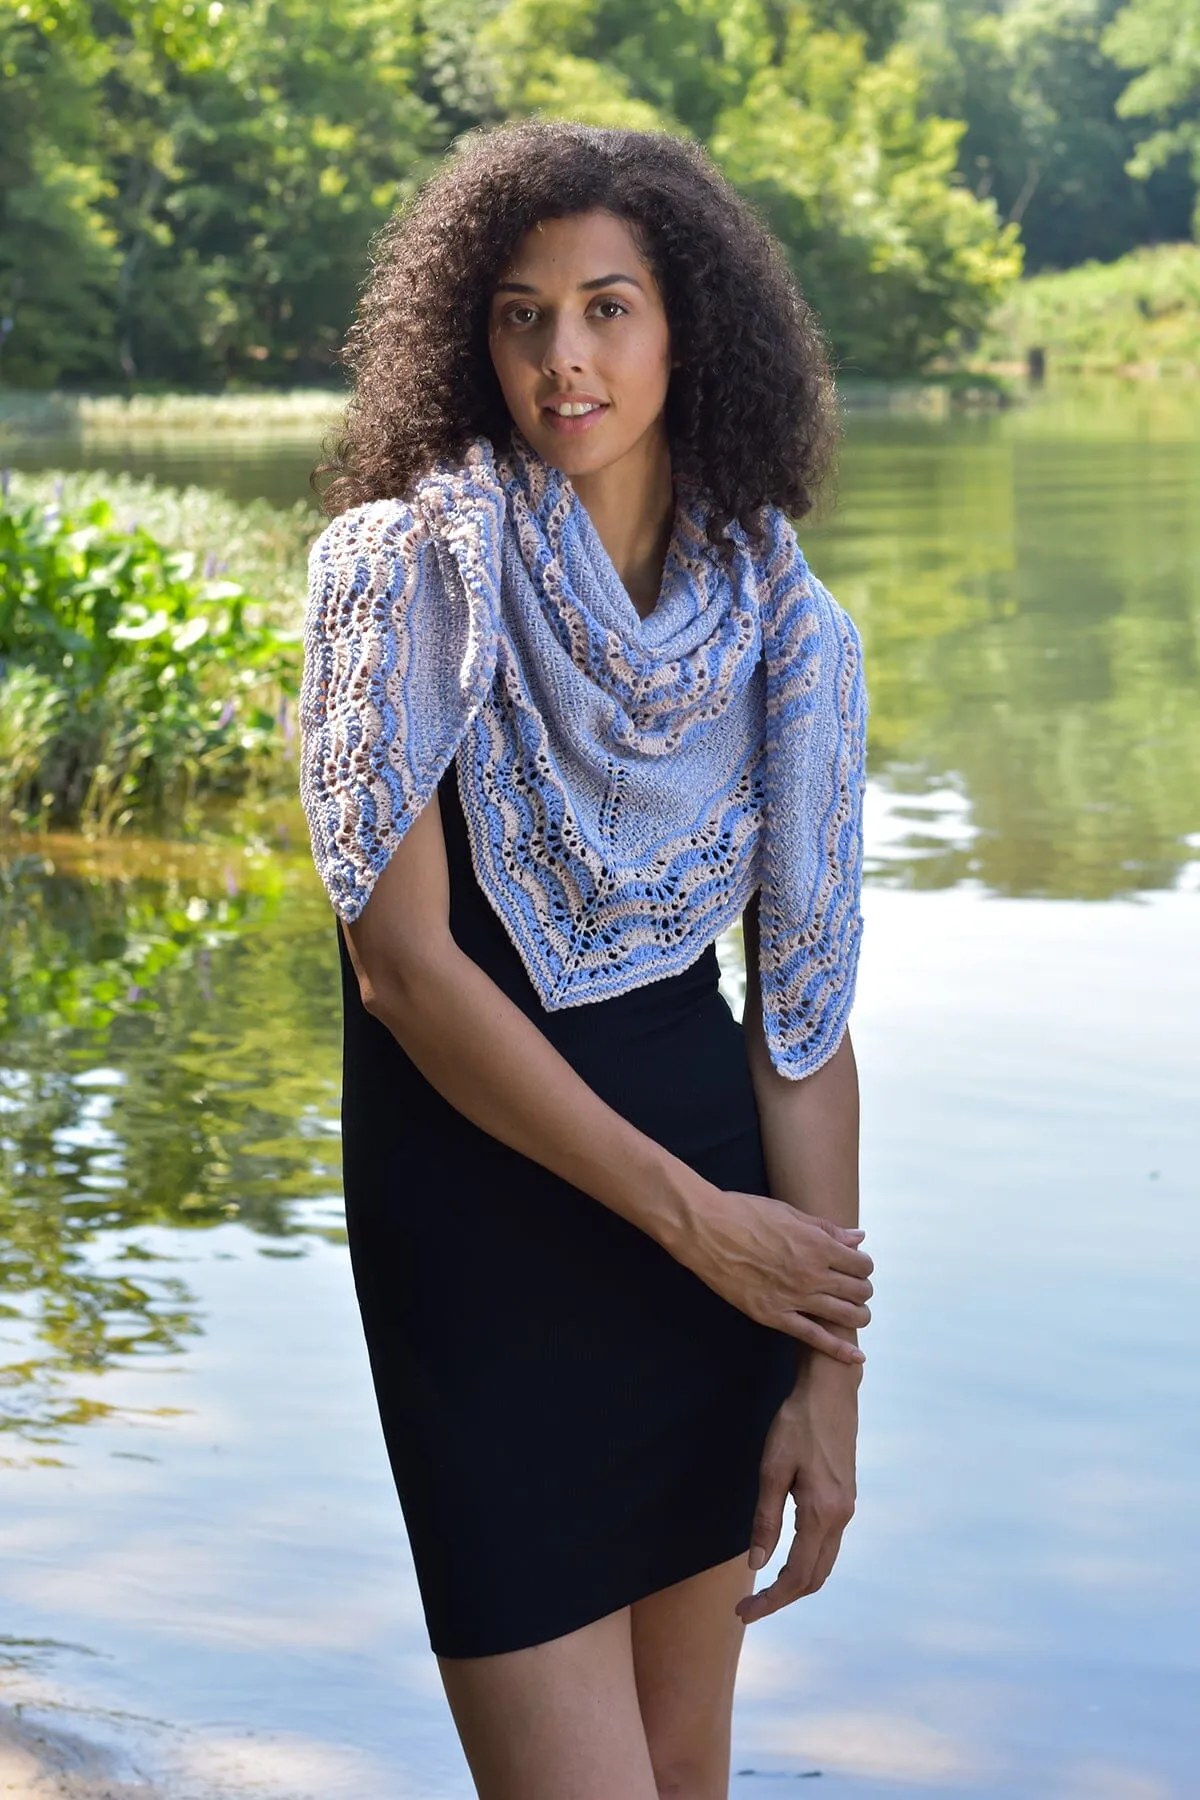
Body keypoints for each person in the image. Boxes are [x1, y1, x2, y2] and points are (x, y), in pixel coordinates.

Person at [299, 120, 872, 1800]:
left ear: (688, 324)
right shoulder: (398, 577)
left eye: (609, 307)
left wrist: (828, 1378)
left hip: (725, 1257)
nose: (566, 358)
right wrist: (703, 1227)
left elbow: (807, 1022)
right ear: (465, 341)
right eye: (522, 314)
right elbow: (402, 972)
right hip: (486, 1235)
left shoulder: (784, 623)